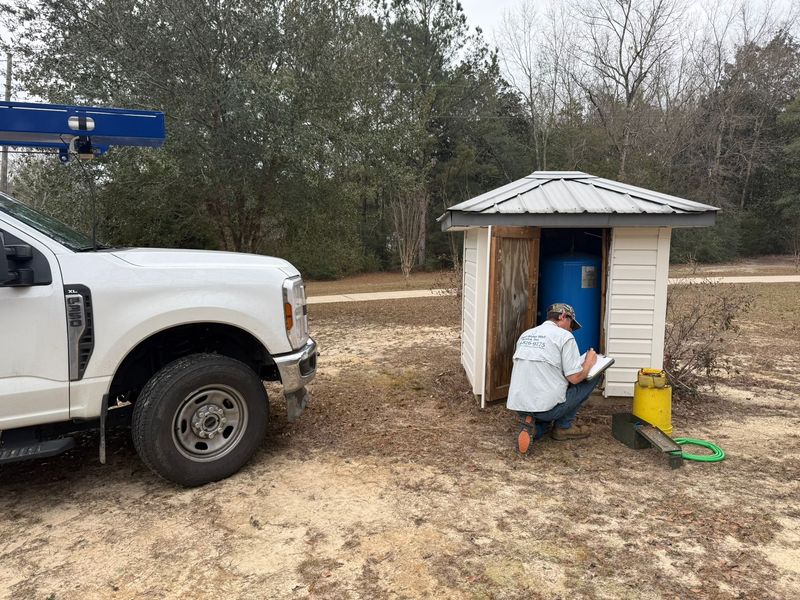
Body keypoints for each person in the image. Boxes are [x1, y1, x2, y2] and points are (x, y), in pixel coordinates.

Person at [506, 302, 600, 455]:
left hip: (520, 406)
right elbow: (575, 378)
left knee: (545, 403)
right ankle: (563, 427)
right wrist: (589, 363)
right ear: (563, 316)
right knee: (594, 375)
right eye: (571, 324)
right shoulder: (565, 337)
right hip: (547, 409)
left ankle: (535, 427)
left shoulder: (526, 334)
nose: (571, 330)